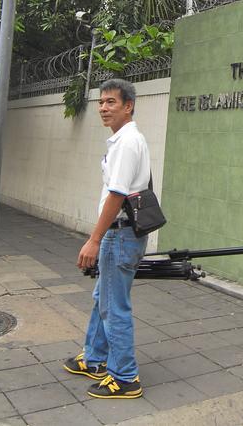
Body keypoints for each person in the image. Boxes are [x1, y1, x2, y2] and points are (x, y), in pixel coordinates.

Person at [64, 78, 151, 399]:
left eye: (111, 102)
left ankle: (125, 376)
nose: (103, 108)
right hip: (121, 234)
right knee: (104, 299)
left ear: (128, 106)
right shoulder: (122, 140)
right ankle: (96, 357)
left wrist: (94, 239)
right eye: (101, 102)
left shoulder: (127, 142)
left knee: (114, 307)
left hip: (118, 235)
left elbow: (117, 194)